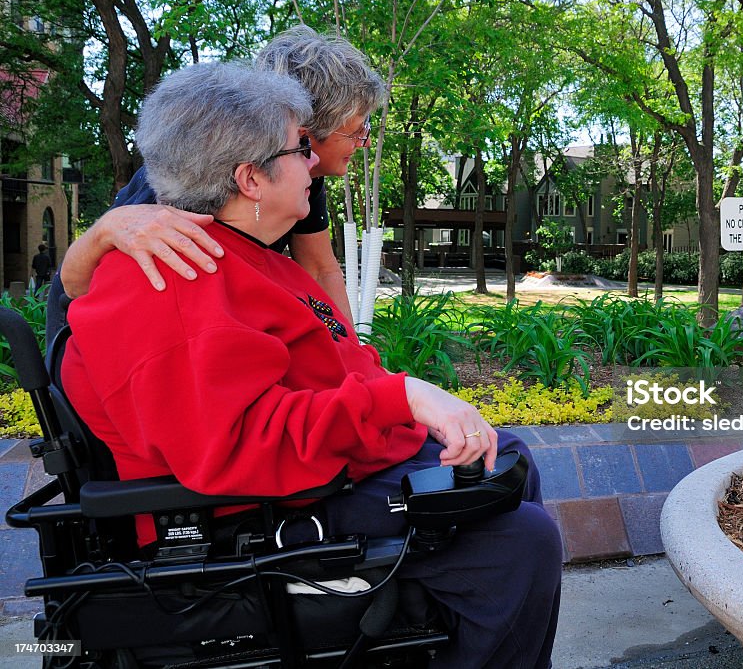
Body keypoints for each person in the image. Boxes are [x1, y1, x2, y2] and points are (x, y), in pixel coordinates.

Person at [60, 62, 561, 669]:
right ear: (249, 177)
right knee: (522, 545)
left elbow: (332, 360)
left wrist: (405, 398)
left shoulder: (249, 255)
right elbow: (236, 446)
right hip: (254, 510)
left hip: (319, 471)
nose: (316, 162)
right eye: (301, 147)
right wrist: (400, 400)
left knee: (507, 459)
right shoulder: (178, 280)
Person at [58, 26, 382, 325]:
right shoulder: (188, 175)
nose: (364, 141)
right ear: (305, 129)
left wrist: (355, 358)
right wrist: (106, 230)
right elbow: (76, 285)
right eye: (356, 129)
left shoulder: (297, 174)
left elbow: (319, 269)